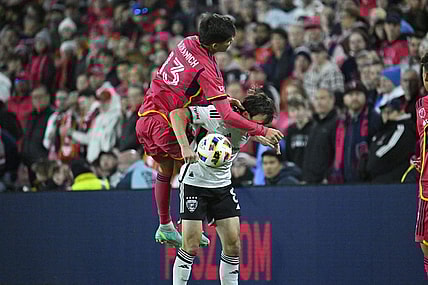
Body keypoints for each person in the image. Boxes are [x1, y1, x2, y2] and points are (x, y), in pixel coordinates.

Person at [135, 13, 284, 246]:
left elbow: (189, 81)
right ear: (216, 44)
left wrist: (224, 97)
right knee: (202, 157)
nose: (231, 43)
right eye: (229, 40)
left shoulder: (188, 42)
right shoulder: (208, 69)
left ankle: (165, 225)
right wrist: (261, 131)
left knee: (166, 168)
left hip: (147, 115)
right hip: (166, 123)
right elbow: (225, 115)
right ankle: (201, 219)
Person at [169, 89, 276, 285]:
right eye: (257, 123)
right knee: (191, 245)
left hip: (222, 186)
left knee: (234, 245)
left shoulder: (248, 128)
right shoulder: (216, 114)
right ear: (245, 115)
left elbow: (246, 131)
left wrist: (261, 136)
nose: (258, 128)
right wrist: (184, 146)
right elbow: (177, 114)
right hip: (195, 183)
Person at [412, 53, 428, 278]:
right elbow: (421, 139)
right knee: (424, 241)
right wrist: (418, 157)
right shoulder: (421, 105)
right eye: (426, 76)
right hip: (427, 186)